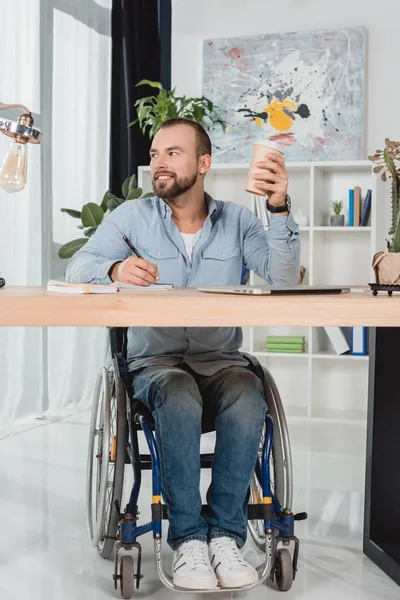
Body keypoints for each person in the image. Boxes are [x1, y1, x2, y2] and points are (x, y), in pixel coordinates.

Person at [66, 118, 300, 590]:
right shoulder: (132, 218)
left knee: (247, 391)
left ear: (204, 163)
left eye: (173, 153)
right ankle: (189, 539)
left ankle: (225, 537)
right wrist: (114, 267)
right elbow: (77, 266)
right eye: (155, 154)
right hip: (156, 366)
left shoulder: (238, 221)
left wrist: (278, 208)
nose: (159, 162)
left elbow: (282, 277)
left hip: (221, 362)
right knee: (177, 389)